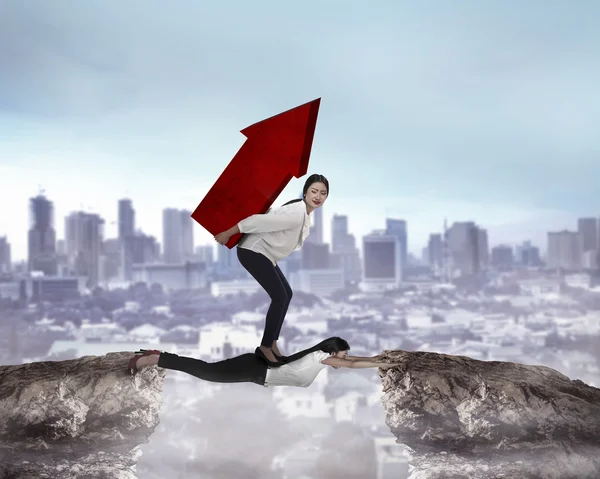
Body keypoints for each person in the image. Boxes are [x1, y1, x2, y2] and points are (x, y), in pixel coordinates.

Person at [214, 173, 329, 367]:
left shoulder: (303, 214)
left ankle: (272, 343)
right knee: (280, 296)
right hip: (253, 251)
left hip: (265, 254)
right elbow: (258, 221)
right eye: (314, 191)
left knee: (287, 293)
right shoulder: (296, 213)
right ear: (305, 192)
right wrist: (228, 233)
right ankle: (265, 347)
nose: (317, 196)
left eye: (323, 193)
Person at [127, 337, 402, 388]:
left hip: (255, 369)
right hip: (255, 369)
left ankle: (159, 355)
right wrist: (384, 365)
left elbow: (352, 360)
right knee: (207, 372)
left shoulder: (322, 356)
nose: (342, 360)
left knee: (207, 370)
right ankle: (155, 358)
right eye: (339, 355)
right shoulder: (322, 357)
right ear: (332, 353)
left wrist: (378, 359)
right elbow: (351, 364)